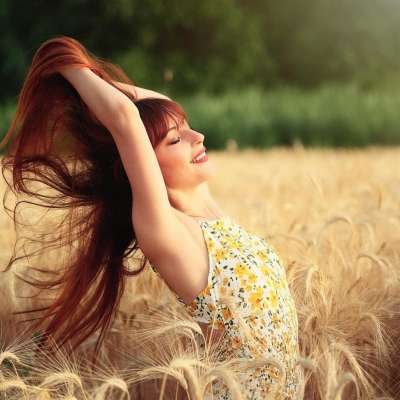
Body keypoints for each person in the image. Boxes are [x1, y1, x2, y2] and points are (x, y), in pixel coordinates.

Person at [1, 37, 302, 399]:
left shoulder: (208, 209)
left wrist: (107, 85)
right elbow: (126, 120)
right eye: (176, 140)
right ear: (144, 162)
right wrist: (62, 62)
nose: (198, 136)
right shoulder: (168, 232)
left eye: (187, 127)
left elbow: (151, 106)